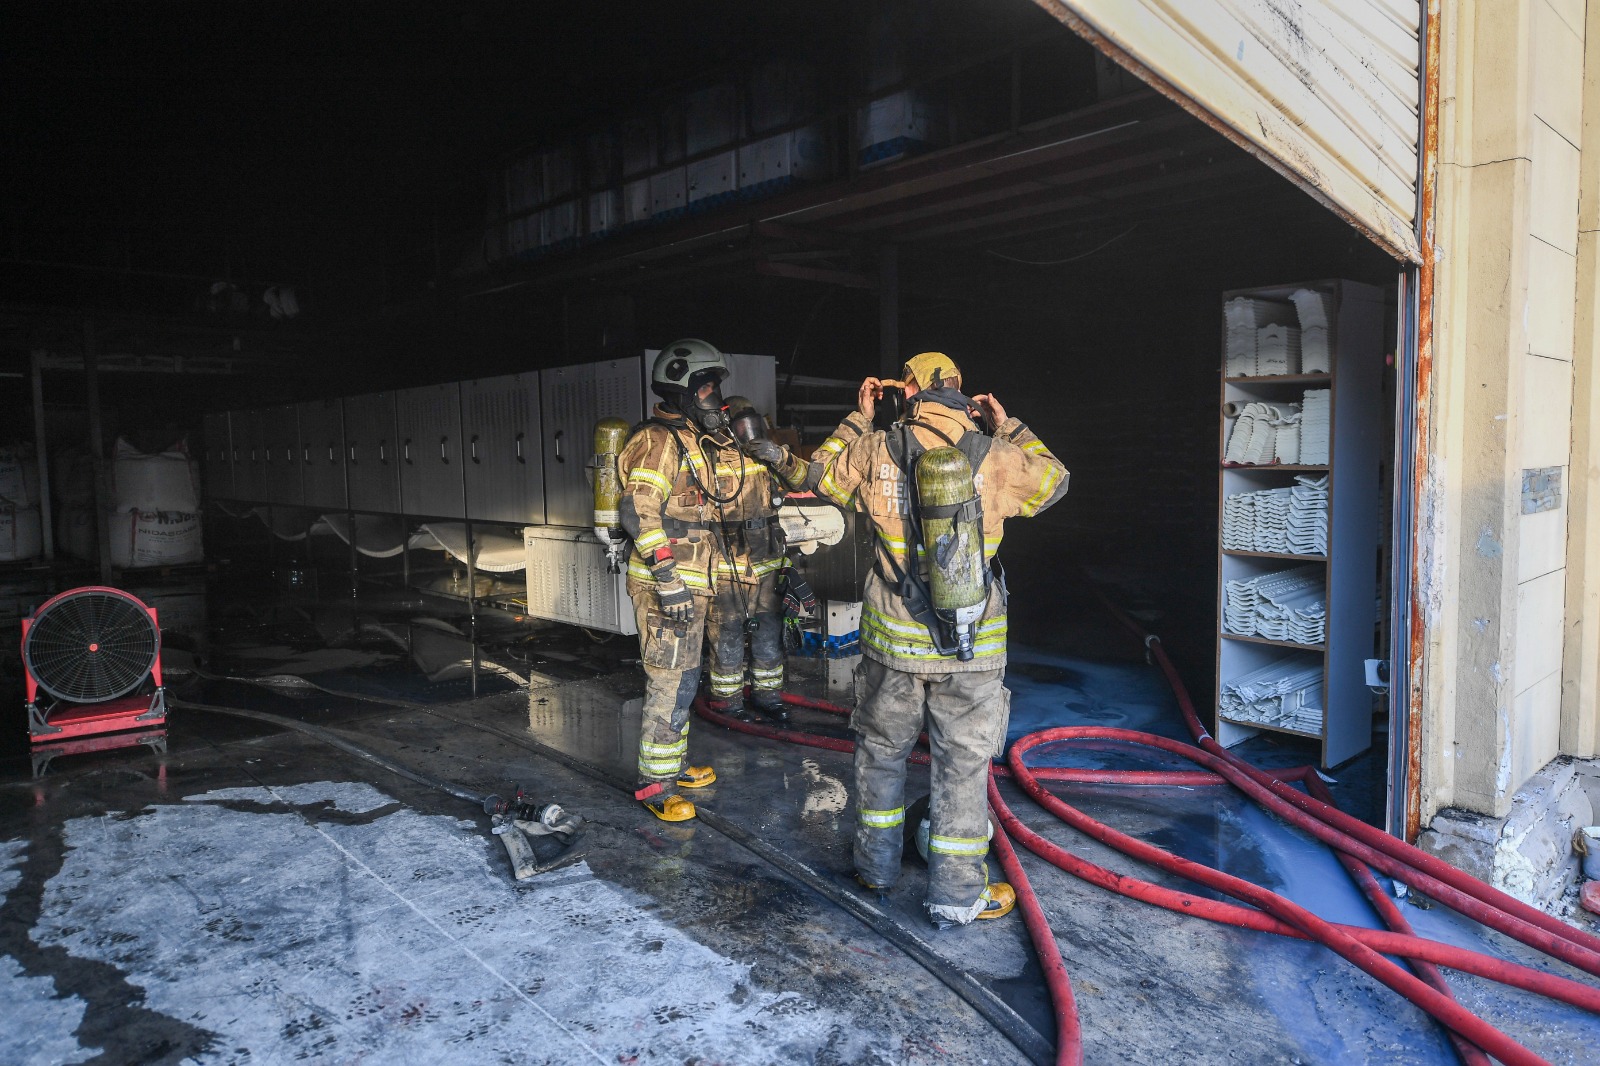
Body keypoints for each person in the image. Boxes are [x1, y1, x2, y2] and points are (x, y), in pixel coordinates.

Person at [802, 351, 1069, 926]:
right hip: (970, 646)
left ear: (908, 389)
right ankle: (954, 896)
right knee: (962, 768)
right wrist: (1010, 425)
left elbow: (816, 474)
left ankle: (874, 870)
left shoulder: (876, 449)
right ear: (959, 390)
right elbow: (1056, 481)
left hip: (892, 644)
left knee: (880, 753)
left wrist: (860, 418)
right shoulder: (995, 456)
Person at [618, 340, 809, 822]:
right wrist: (667, 579)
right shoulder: (656, 440)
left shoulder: (693, 438)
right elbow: (636, 513)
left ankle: (673, 765)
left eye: (714, 389)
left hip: (695, 582)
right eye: (704, 389)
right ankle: (653, 785)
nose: (712, 399)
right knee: (670, 681)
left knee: (684, 681)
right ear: (679, 390)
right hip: (671, 584)